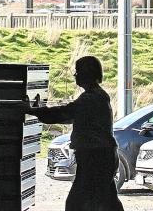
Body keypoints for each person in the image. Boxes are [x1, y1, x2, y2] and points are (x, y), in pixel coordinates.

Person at [22, 56, 124, 211]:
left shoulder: (91, 98)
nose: (75, 75)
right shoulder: (97, 96)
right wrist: (38, 111)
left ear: (87, 74)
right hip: (101, 156)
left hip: (94, 158)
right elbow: (70, 115)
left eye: (78, 72)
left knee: (76, 203)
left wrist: (32, 111)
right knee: (107, 201)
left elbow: (64, 113)